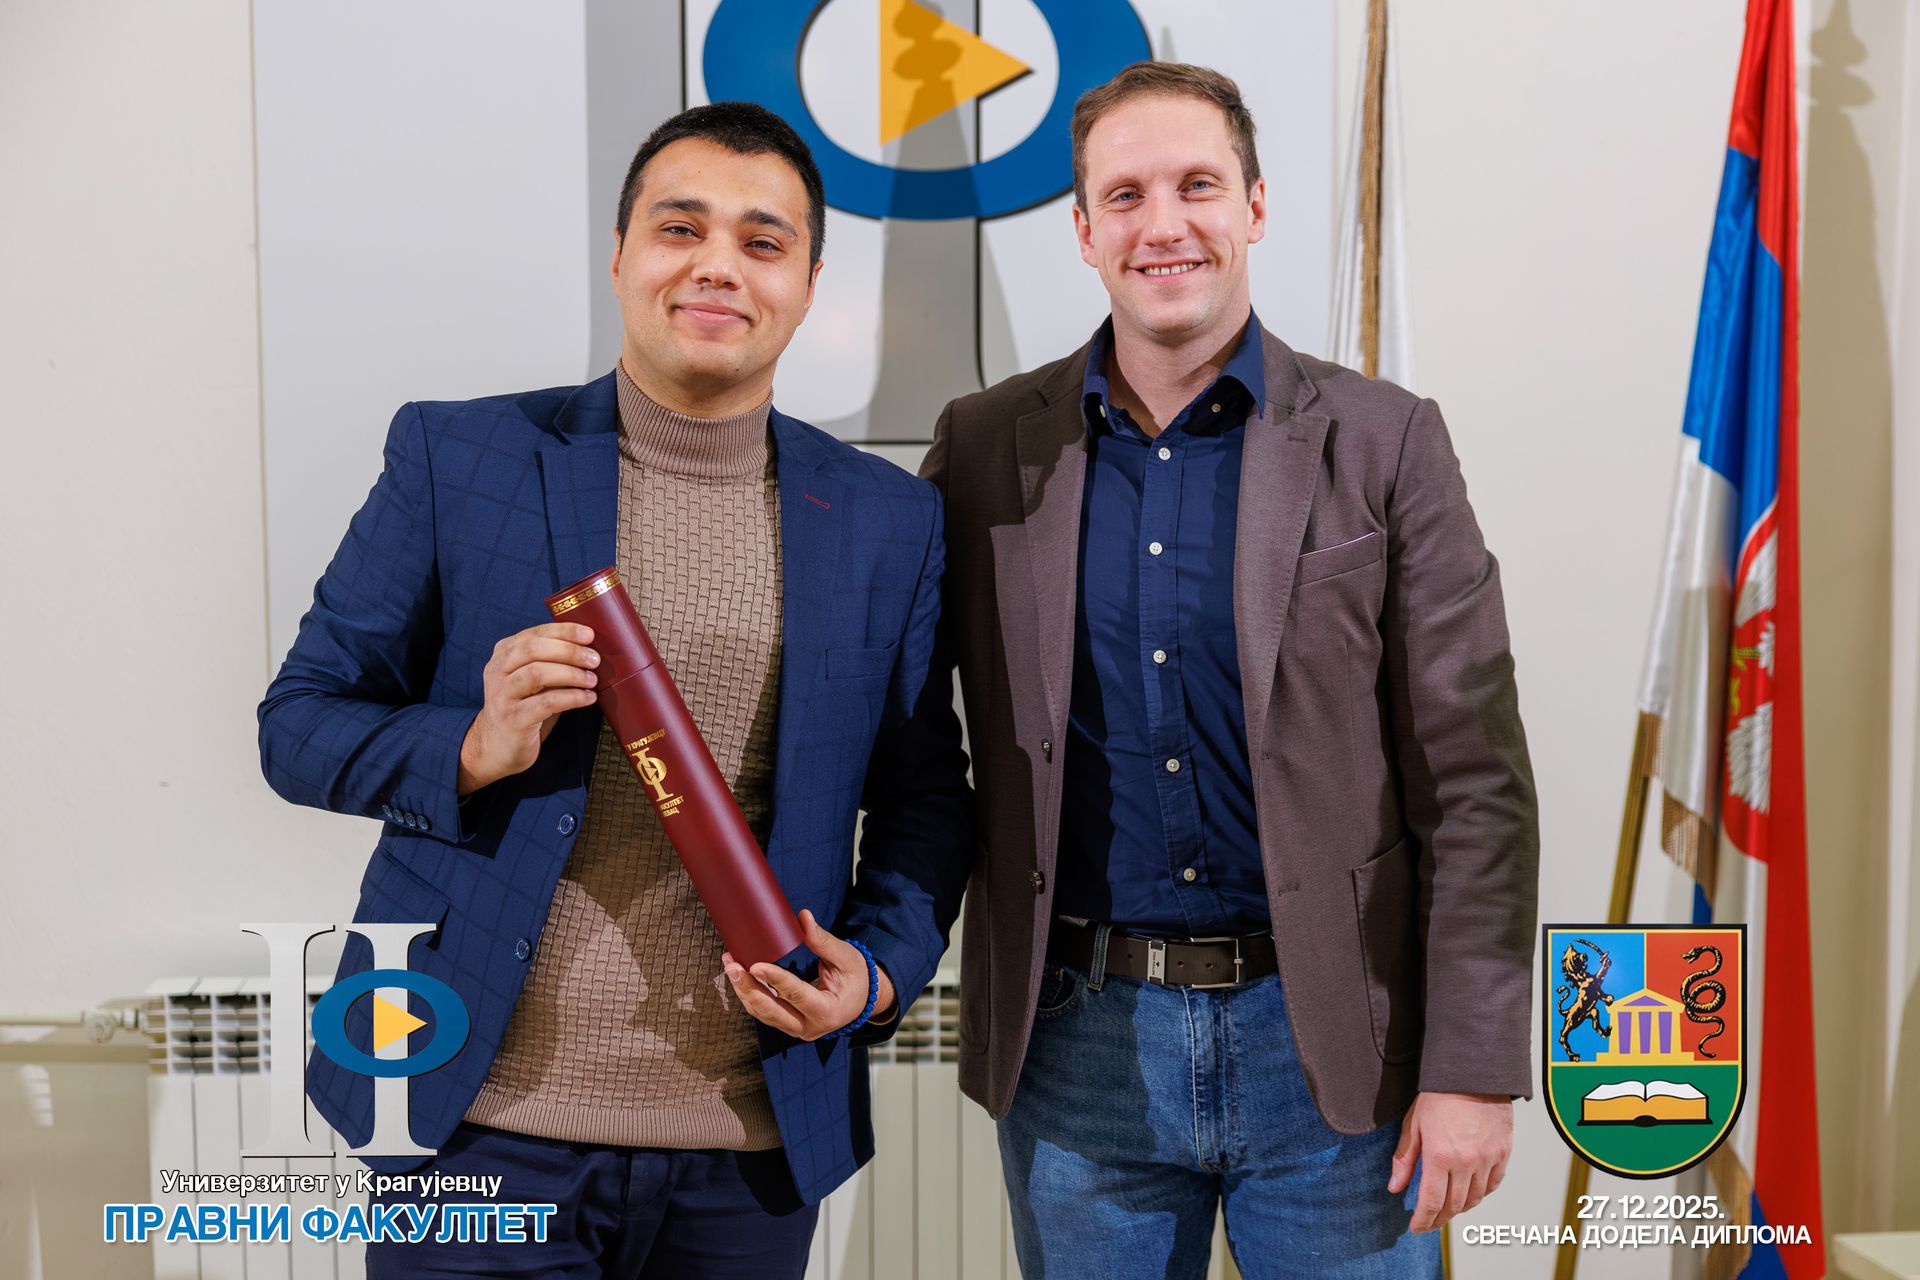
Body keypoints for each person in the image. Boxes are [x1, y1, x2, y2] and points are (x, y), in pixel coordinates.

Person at [257, 102, 971, 1279]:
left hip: (746, 1151)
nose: (717, 265)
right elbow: (298, 724)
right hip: (473, 1126)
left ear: (807, 283)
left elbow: (926, 799)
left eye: (762, 241)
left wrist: (880, 969)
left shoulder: (889, 518)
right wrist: (474, 744)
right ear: (621, 253)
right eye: (680, 228)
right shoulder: (460, 458)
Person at [922, 63, 1540, 1277]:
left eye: (1198, 185)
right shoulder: (986, 444)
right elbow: (904, 728)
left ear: (1255, 206)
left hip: (1336, 1047)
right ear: (1084, 230)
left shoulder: (1384, 438)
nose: (1164, 223)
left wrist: (1471, 1064)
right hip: (1080, 1046)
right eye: (1126, 195)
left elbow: (1477, 779)